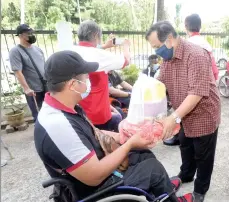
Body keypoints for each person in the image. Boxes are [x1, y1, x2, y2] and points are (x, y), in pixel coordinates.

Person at [34, 50, 193, 202]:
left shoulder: (65, 106)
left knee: (142, 153)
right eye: (86, 77)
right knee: (152, 168)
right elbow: (94, 177)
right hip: (95, 190)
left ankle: (162, 187)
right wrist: (130, 143)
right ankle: (166, 192)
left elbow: (91, 132)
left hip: (96, 166)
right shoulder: (58, 126)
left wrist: (121, 136)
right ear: (73, 84)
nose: (89, 80)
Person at [146, 21, 221, 202]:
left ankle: (200, 190)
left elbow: (196, 94)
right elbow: (161, 83)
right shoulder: (168, 58)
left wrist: (173, 117)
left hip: (204, 113)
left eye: (157, 46)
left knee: (203, 155)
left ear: (170, 39)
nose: (156, 51)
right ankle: (186, 174)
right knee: (186, 147)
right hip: (182, 113)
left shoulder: (196, 55)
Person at [70, 20, 129, 132]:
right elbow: (126, 61)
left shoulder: (71, 51)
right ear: (96, 35)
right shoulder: (100, 55)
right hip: (99, 115)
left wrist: (104, 46)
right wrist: (126, 45)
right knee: (118, 120)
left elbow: (89, 51)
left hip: (79, 112)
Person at [9, 24, 46, 122]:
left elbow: (44, 66)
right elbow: (18, 72)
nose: (31, 35)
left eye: (31, 33)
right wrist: (26, 88)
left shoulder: (38, 49)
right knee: (38, 116)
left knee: (50, 112)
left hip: (46, 87)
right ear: (20, 36)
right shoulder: (16, 51)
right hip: (33, 91)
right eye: (28, 33)